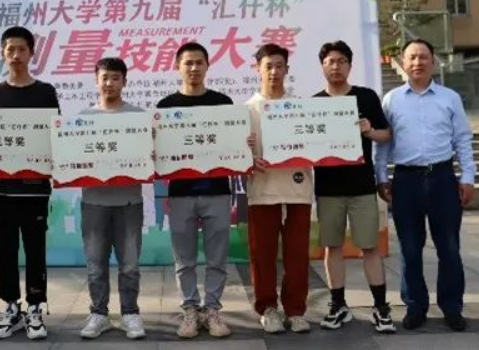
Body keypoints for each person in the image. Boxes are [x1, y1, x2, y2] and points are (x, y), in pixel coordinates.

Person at [374, 38, 476, 332]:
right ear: (403, 62)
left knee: (449, 247)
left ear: (433, 61)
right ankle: (415, 306)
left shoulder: (449, 98)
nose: (417, 62)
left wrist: (468, 177)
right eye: (412, 57)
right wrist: (382, 177)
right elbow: (383, 143)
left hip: (442, 178)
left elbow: (463, 139)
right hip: (405, 180)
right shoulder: (392, 99)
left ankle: (452, 307)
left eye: (423, 57)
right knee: (410, 248)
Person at [0, 26, 60, 340]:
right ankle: (11, 309)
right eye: (10, 49)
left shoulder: (46, 92)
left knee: (35, 250)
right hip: (0, 188)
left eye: (22, 49)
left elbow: (55, 136)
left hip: (34, 188)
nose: (16, 55)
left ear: (32, 53)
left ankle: (36, 308)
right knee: (4, 250)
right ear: (3, 53)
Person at [312, 41, 395, 333]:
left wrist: (369, 131)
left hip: (362, 187)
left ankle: (381, 307)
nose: (335, 66)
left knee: (370, 247)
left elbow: (386, 135)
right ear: (322, 66)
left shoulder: (366, 96)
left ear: (349, 65)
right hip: (327, 188)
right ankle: (338, 305)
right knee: (332, 246)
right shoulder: (314, 104)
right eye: (330, 61)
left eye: (341, 61)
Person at [156, 42, 234, 339]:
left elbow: (232, 143)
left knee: (217, 258)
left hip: (217, 191)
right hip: (181, 193)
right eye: (188, 63)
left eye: (199, 62)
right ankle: (190, 310)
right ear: (178, 67)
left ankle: (212, 310)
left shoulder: (223, 103)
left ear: (207, 66)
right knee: (184, 259)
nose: (193, 68)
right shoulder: (166, 107)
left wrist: (244, 143)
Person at [245, 44, 313, 335]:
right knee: (262, 254)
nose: (274, 72)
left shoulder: (301, 108)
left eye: (279, 66)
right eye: (268, 66)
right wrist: (246, 156)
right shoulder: (246, 110)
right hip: (262, 190)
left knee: (297, 253)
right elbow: (234, 155)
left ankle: (295, 310)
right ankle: (268, 309)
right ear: (257, 69)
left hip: (298, 188)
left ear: (287, 69)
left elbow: (317, 144)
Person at [78, 57, 146, 341]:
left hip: (129, 202)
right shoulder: (83, 119)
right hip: (94, 202)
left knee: (129, 264)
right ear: (96, 81)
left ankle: (130, 312)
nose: (109, 83)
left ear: (124, 82)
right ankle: (99, 313)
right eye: (104, 77)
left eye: (115, 78)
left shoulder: (139, 117)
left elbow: (149, 156)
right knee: (96, 264)